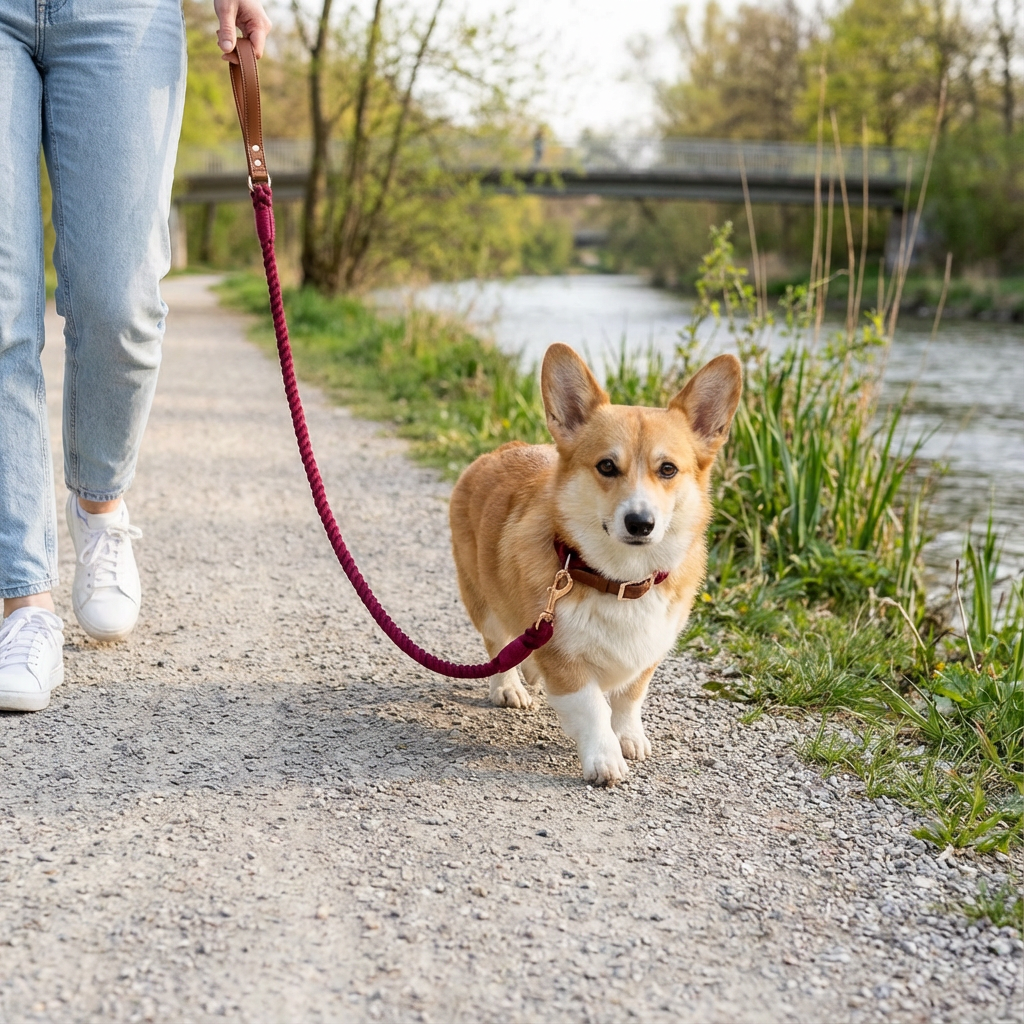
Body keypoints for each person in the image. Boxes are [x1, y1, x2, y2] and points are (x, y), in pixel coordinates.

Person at [0, 0, 271, 711]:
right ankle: (25, 606)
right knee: (1, 311)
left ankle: (100, 506)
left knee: (120, 301)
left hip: (123, 14)